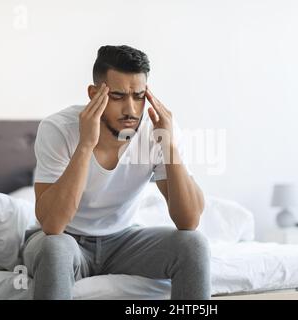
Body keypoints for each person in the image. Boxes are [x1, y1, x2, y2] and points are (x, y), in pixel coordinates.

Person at [21, 45, 211, 300]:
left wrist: (168, 145)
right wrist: (86, 144)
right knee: (55, 248)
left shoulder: (157, 130)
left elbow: (188, 221)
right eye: (118, 96)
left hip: (123, 241)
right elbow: (53, 224)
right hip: (66, 241)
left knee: (194, 245)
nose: (131, 110)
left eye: (139, 96)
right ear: (94, 94)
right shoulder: (59, 129)